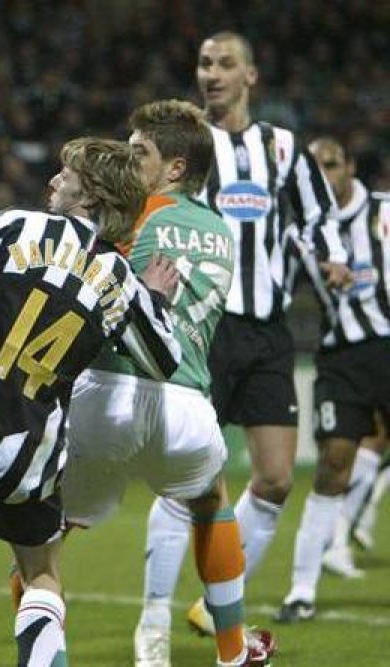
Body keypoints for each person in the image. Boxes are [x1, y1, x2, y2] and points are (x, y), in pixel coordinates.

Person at [0, 137, 182, 667]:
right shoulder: (119, 277)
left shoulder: (13, 226)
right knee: (41, 575)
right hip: (32, 451)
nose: (52, 181)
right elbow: (164, 360)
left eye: (64, 175)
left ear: (89, 194)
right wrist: (154, 297)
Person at [135, 31, 351, 641]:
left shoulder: (282, 148)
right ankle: (153, 617)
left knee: (277, 478)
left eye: (225, 63)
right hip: (206, 326)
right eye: (205, 63)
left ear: (250, 76)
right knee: (187, 479)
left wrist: (332, 257)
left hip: (267, 329)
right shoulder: (189, 150)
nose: (212, 73)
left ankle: (216, 608)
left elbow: (317, 214)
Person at [61, 100, 263, 667]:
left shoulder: (132, 214)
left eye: (139, 152)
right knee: (212, 500)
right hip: (187, 406)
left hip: (110, 391)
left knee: (39, 533)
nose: (128, 161)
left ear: (174, 167)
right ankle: (232, 655)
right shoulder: (221, 231)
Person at [275, 137, 390, 622]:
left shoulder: (384, 211)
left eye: (332, 164)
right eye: (316, 168)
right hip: (341, 360)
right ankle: (301, 590)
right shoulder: (299, 233)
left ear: (351, 166)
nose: (325, 175)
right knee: (332, 465)